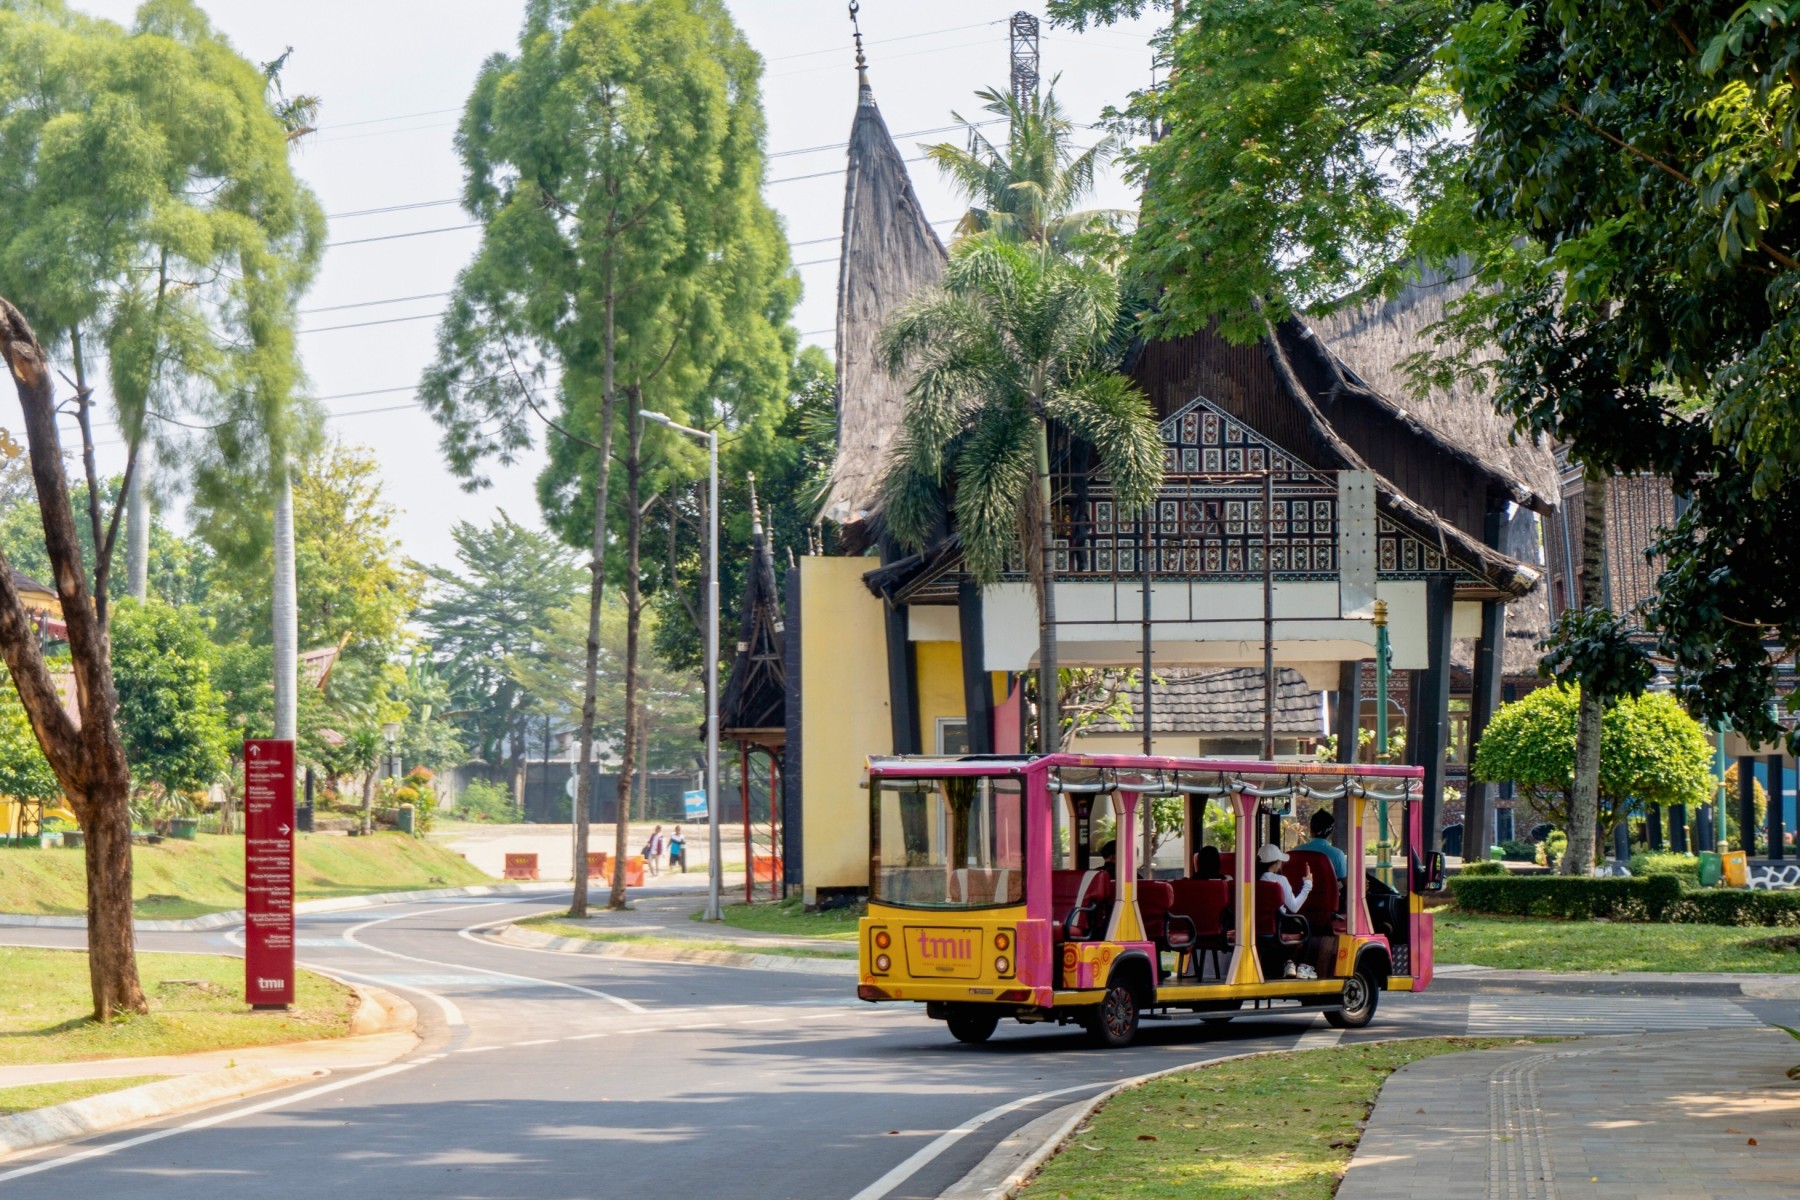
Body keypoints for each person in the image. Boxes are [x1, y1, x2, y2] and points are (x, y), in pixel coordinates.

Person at [1257, 843, 1315, 979]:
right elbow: (1294, 907)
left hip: (1256, 925)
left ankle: (1288, 963)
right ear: (1276, 863)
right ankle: (1302, 966)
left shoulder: (1253, 880)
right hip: (1279, 924)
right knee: (1306, 924)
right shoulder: (1280, 880)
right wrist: (1308, 884)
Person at [1294, 809, 1348, 881]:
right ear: (1331, 831)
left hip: (1302, 892)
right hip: (1328, 892)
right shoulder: (1337, 854)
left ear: (1311, 829)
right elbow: (1346, 883)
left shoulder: (1295, 851)